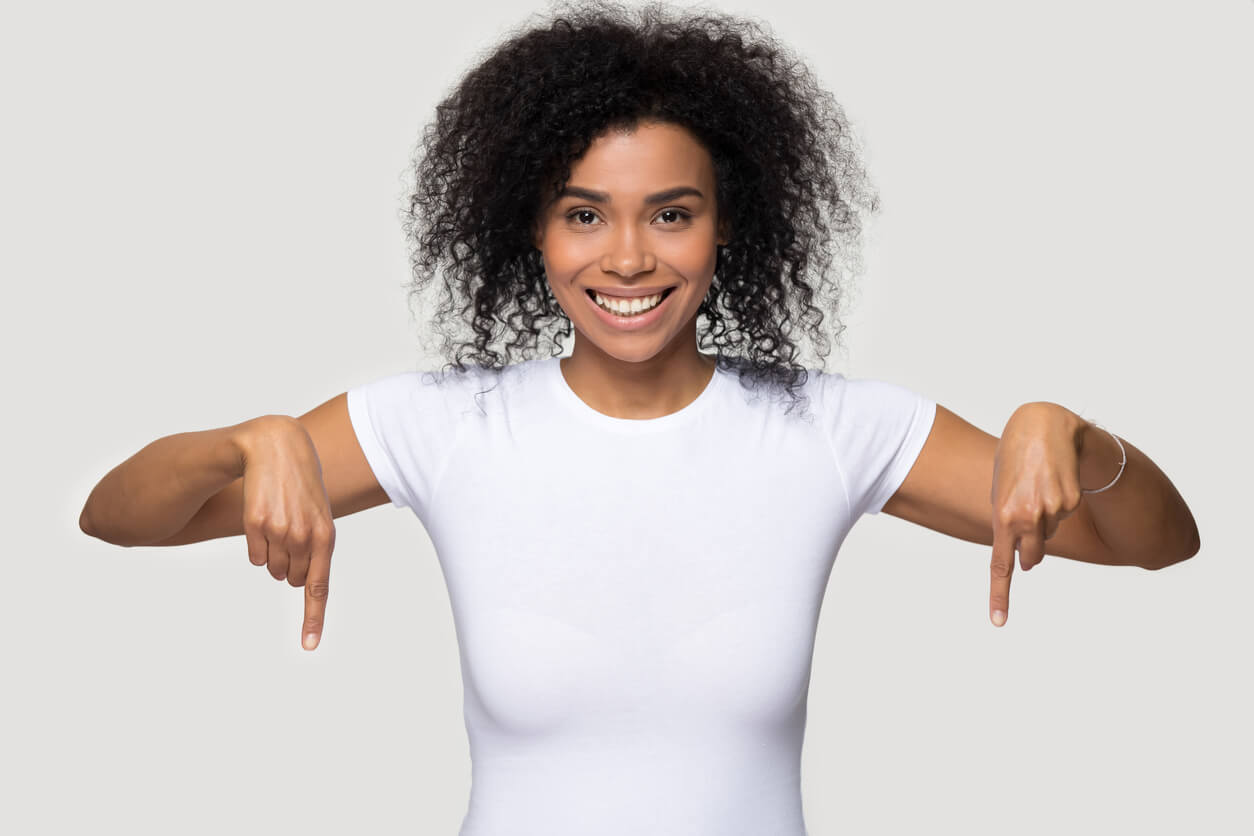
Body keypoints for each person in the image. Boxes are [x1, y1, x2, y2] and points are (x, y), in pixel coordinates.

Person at [78, 2, 1200, 834]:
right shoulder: (447, 422)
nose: (626, 257)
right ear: (532, 229)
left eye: (672, 213)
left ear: (729, 226)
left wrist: (1077, 435)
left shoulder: (828, 428)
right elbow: (117, 515)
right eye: (584, 214)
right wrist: (251, 439)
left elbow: (1158, 541)